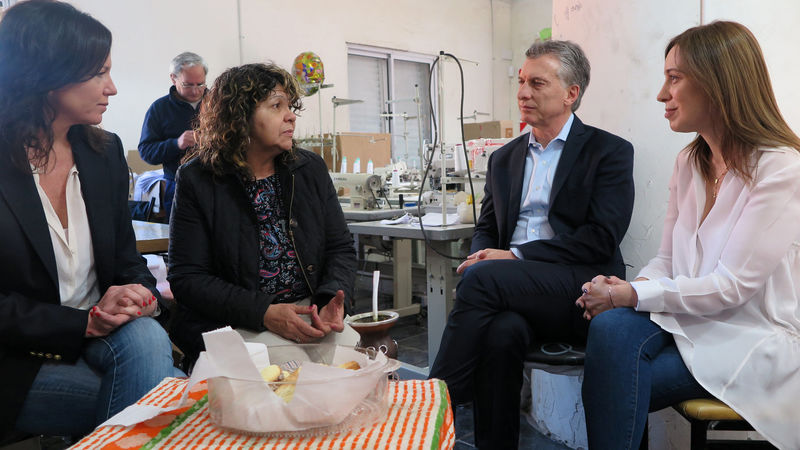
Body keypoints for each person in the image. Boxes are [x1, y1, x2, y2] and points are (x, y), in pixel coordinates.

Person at [577, 21, 800, 449]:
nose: (662, 94)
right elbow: (667, 261)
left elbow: (733, 287)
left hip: (752, 337)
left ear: (719, 82)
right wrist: (624, 288)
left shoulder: (779, 167)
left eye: (674, 78)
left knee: (617, 372)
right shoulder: (689, 162)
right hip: (695, 322)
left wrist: (631, 296)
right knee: (609, 329)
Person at [429, 40, 635, 449]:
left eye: (537, 83)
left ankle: (433, 403)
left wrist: (515, 255)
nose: (523, 92)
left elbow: (601, 238)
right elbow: (488, 227)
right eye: (521, 81)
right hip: (514, 292)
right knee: (500, 333)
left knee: (483, 282)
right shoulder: (504, 158)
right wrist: (481, 253)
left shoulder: (607, 152)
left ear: (571, 93)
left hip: (578, 290)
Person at [0, 0, 182, 443]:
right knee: (170, 401)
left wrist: (134, 292)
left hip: (101, 334)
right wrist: (80, 324)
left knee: (149, 341)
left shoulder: (103, 153)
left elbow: (127, 260)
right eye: (98, 72)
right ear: (47, 74)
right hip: (17, 357)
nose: (113, 88)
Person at [168, 63, 359, 368]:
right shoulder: (199, 179)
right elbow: (187, 279)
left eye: (290, 105)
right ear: (240, 117)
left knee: (359, 365)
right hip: (236, 320)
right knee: (298, 377)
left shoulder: (308, 169)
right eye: (276, 106)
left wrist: (329, 301)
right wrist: (264, 311)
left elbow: (340, 249)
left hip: (308, 311)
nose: (291, 115)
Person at [138, 51, 208, 221]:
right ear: (173, 78)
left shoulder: (219, 104)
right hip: (178, 186)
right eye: (188, 84)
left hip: (218, 183)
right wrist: (176, 144)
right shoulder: (159, 109)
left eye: (200, 84)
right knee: (183, 242)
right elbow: (146, 152)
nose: (195, 91)